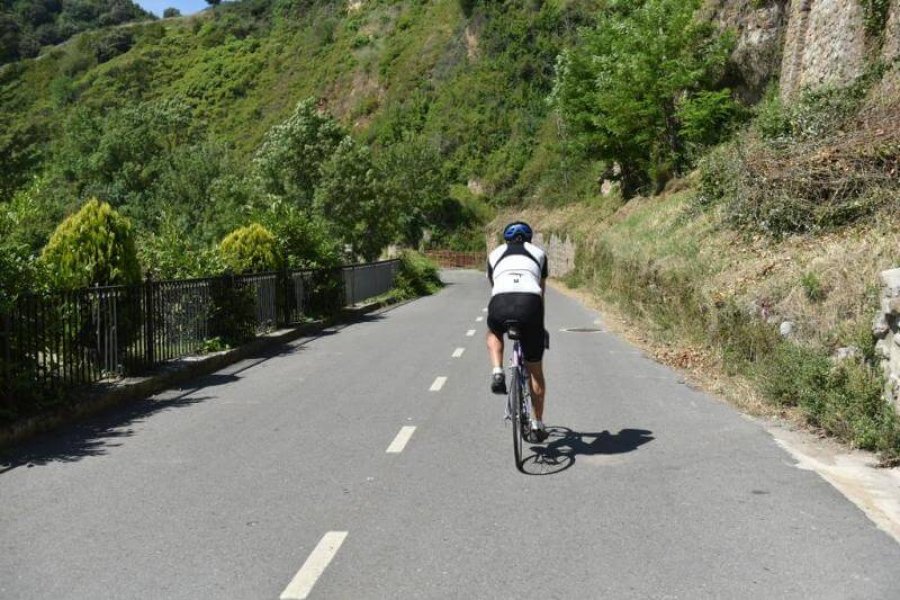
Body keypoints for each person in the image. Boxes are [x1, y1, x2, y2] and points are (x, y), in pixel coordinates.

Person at [486, 221, 549, 443]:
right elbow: (541, 291)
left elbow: (495, 285)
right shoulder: (539, 254)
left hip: (501, 302)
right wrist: (540, 326)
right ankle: (537, 424)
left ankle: (497, 370)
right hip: (529, 304)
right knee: (535, 371)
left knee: (494, 331)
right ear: (529, 238)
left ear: (506, 239)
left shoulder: (494, 254)